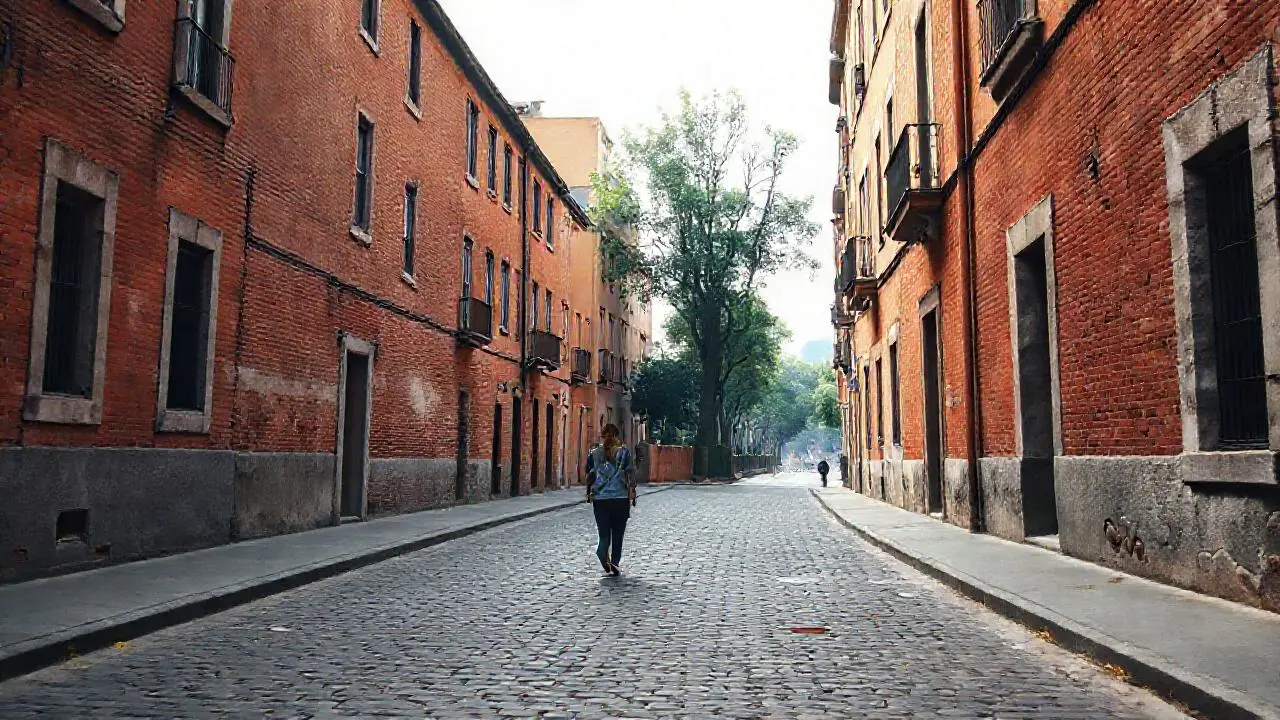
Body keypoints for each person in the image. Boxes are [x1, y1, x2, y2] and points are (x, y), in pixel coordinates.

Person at [586, 423, 636, 576]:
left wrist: (589, 491)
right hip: (620, 498)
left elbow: (589, 475)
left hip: (600, 499)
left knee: (604, 533)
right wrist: (632, 491)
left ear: (603, 435)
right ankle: (614, 562)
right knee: (618, 533)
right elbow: (630, 473)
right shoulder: (624, 452)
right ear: (616, 436)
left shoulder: (593, 453)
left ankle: (602, 551)